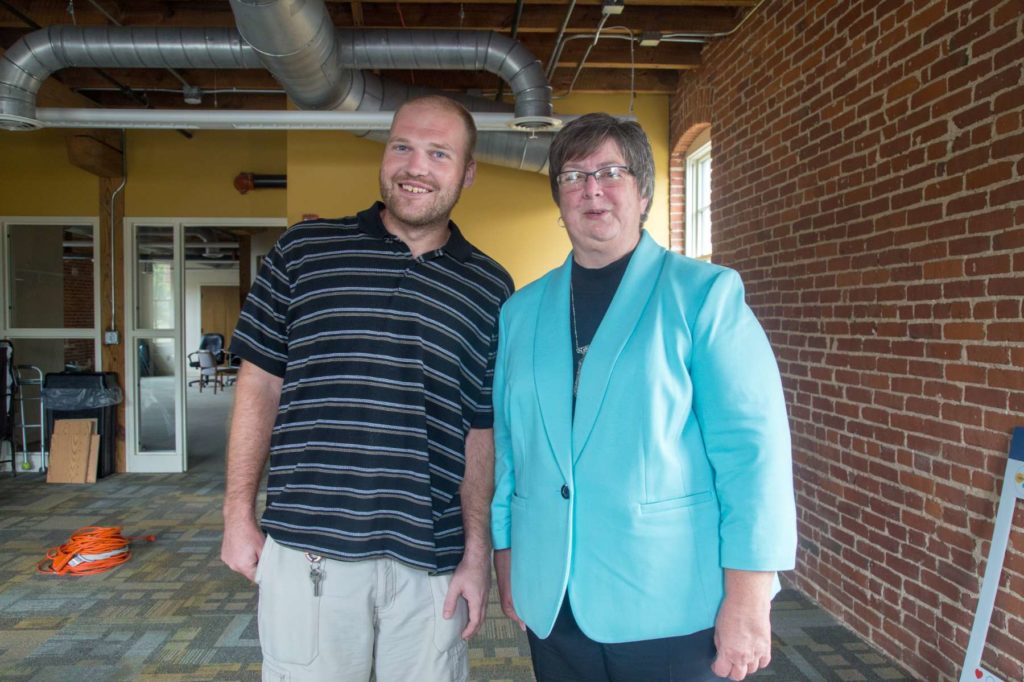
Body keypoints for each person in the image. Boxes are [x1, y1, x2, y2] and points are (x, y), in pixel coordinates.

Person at [490, 113, 797, 682]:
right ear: (559, 198)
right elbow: (511, 448)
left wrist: (750, 597)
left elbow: (753, 455)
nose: (592, 189)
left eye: (610, 171)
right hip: (553, 599)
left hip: (669, 600)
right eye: (573, 176)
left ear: (644, 190)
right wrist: (506, 554)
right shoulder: (522, 312)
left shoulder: (703, 296)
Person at [220, 95, 513, 682]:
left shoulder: (490, 287)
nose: (415, 166)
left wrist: (477, 551)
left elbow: (481, 430)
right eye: (402, 146)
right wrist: (236, 513)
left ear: (467, 172)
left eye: (438, 153)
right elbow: (259, 388)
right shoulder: (302, 253)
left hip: (430, 557)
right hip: (310, 549)